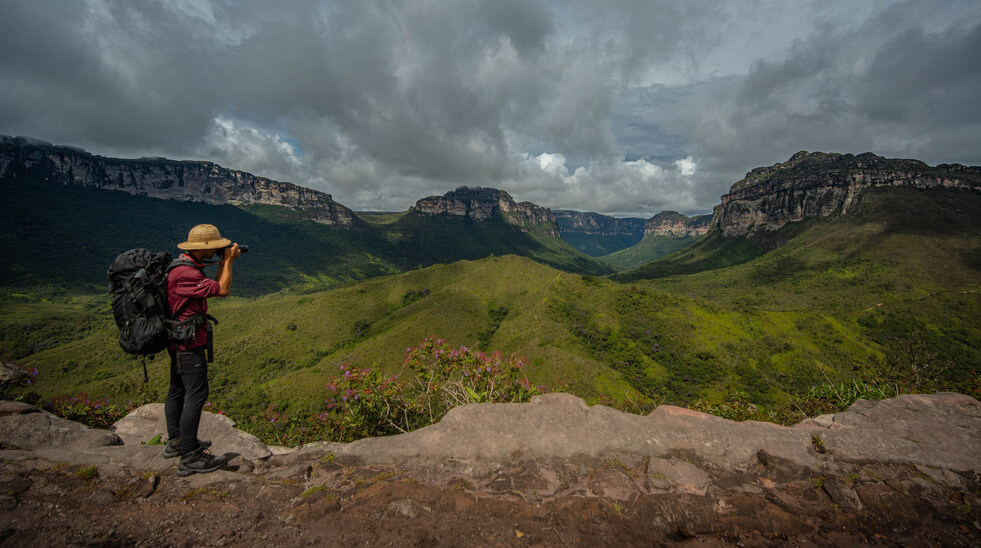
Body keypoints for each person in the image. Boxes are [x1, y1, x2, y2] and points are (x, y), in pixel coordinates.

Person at [163, 224, 241, 476]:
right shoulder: (186, 274)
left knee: (177, 389)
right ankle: (190, 456)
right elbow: (223, 290)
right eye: (215, 246)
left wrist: (222, 263)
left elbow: (212, 286)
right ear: (201, 249)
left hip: (177, 341)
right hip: (188, 344)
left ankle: (177, 441)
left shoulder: (182, 266)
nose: (218, 249)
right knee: (196, 395)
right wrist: (228, 261)